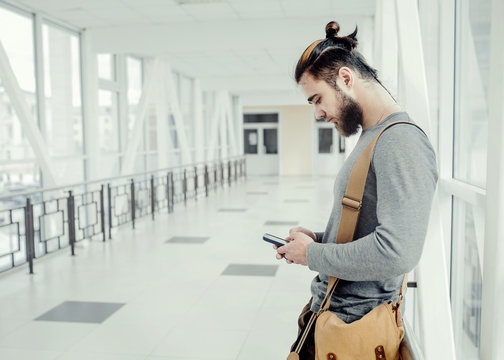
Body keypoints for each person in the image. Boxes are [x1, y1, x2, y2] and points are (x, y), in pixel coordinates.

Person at [273, 21, 438, 358]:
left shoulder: (400, 140)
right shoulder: (374, 136)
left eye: (318, 99)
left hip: (354, 332)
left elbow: (397, 252)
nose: (318, 113)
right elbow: (367, 227)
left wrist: (313, 255)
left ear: (346, 79)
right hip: (335, 319)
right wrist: (317, 239)